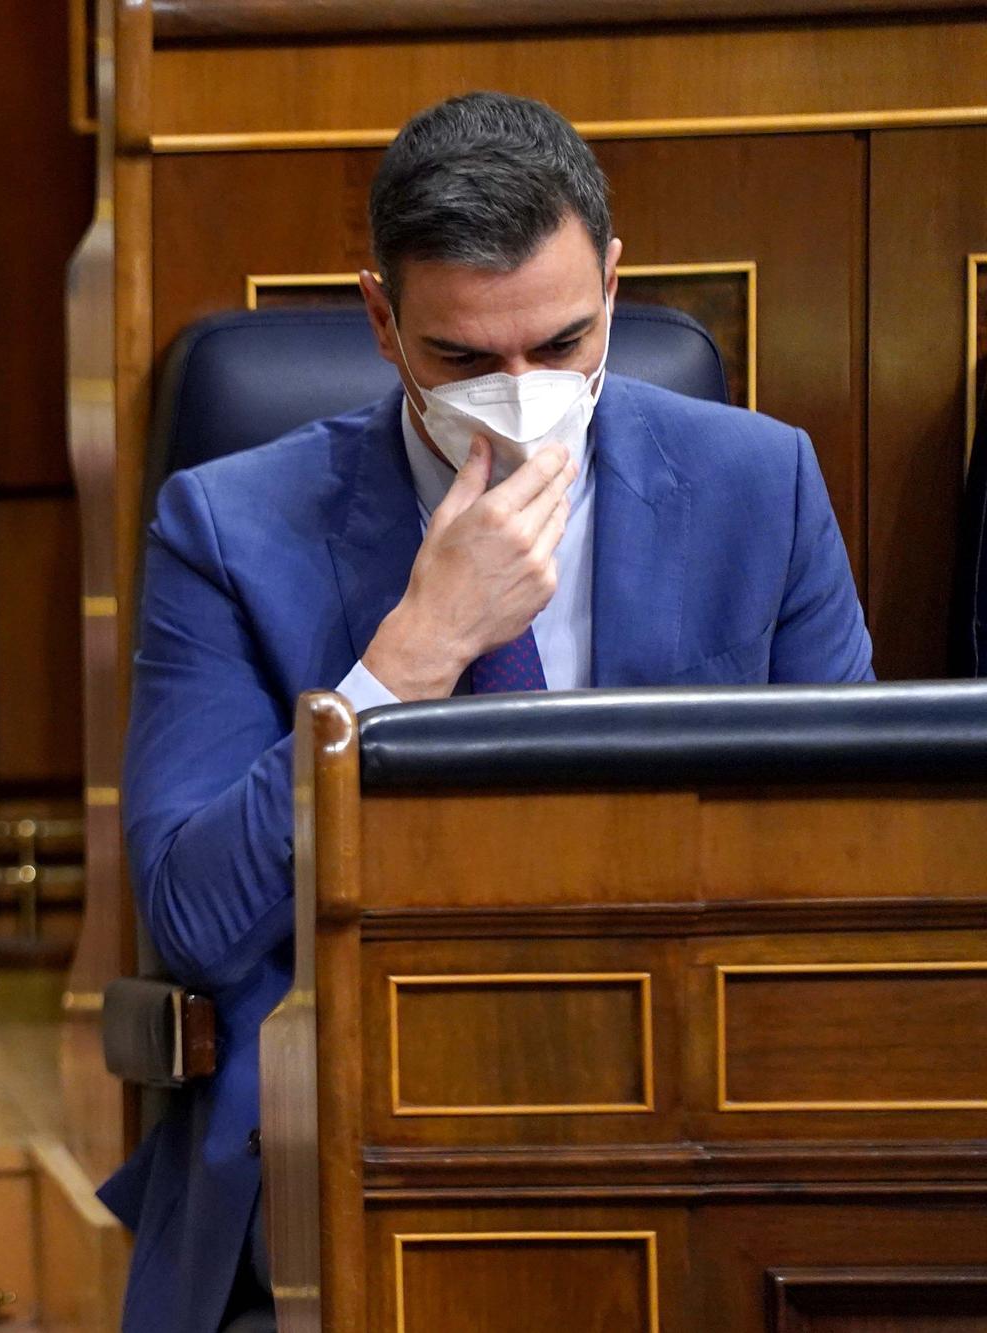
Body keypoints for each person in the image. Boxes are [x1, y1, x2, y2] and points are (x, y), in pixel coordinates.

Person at [102, 91, 874, 1333]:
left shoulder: (757, 486)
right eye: (464, 360)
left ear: (613, 289)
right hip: (363, 1099)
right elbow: (190, 916)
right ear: (381, 320)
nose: (517, 392)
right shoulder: (229, 527)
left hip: (687, 1081)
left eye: (560, 345)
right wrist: (400, 663)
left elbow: (854, 862)